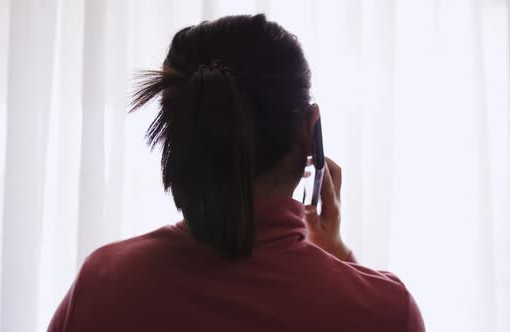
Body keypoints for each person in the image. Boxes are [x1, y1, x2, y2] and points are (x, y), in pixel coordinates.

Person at [48, 14, 425, 332]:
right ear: (311, 134)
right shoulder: (385, 311)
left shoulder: (103, 283)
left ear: (179, 137)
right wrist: (339, 253)